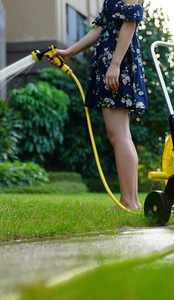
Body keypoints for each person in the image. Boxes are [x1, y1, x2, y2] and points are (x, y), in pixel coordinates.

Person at [48, 0, 147, 211]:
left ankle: (129, 201)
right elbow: (101, 28)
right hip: (111, 60)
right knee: (121, 135)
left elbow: (129, 24)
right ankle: (132, 201)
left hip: (116, 61)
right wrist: (70, 52)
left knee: (118, 135)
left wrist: (115, 64)